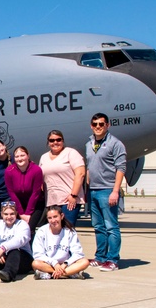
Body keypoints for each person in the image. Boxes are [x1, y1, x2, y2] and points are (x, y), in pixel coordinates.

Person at [86, 113, 127, 272]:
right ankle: (100, 257)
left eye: (101, 124)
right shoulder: (89, 144)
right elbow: (90, 166)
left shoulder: (115, 144)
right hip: (94, 191)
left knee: (111, 226)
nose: (98, 127)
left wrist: (115, 191)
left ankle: (113, 259)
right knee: (98, 226)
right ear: (91, 126)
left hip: (108, 190)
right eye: (95, 124)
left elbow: (121, 168)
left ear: (107, 125)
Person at [39, 129, 86, 226]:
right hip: (52, 201)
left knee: (67, 228)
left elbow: (80, 174)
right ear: (48, 143)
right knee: (55, 230)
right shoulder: (44, 157)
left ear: (63, 141)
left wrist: (73, 196)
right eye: (52, 140)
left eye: (58, 140)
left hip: (69, 200)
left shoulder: (71, 153)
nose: (55, 142)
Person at [31, 206, 90, 279]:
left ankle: (51, 274)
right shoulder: (41, 231)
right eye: (50, 218)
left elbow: (78, 253)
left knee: (85, 262)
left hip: (66, 265)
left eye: (55, 217)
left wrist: (65, 263)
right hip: (49, 264)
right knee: (35, 263)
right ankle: (70, 273)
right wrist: (54, 263)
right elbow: (38, 255)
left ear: (61, 216)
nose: (53, 220)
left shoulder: (70, 231)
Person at [5, 146, 46, 234]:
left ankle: (32, 247)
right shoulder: (9, 171)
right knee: (15, 228)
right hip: (18, 204)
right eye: (17, 156)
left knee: (29, 229)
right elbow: (11, 193)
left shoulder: (36, 170)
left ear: (28, 156)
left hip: (35, 203)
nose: (20, 159)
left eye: (22, 155)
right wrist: (21, 213)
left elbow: (36, 192)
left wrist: (27, 213)